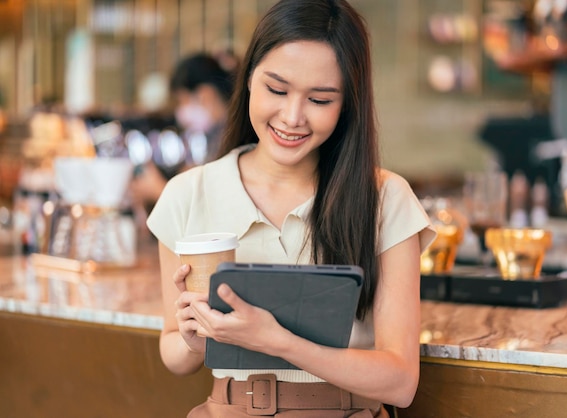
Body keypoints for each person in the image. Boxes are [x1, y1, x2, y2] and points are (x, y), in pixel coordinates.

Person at [146, 0, 435, 416]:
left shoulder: (385, 199)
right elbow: (173, 351)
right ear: (247, 80)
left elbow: (401, 381)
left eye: (320, 100)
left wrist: (277, 340)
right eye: (276, 90)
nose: (293, 116)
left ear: (347, 105)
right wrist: (195, 338)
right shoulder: (188, 194)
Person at [131, 52, 237, 209]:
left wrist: (159, 190)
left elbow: (215, 209)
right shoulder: (215, 135)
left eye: (183, 100)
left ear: (205, 95)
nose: (181, 111)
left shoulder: (230, 137)